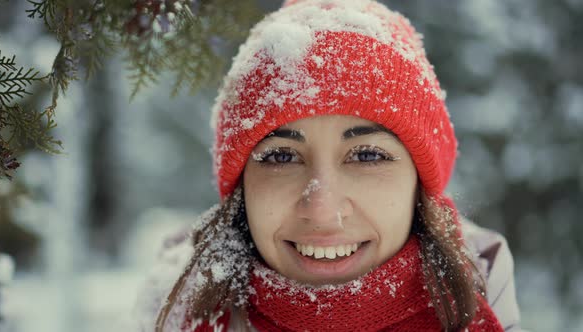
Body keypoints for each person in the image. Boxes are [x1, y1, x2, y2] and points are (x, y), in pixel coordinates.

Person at [135, 0, 523, 331]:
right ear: (241, 187)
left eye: (368, 155)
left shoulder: (487, 292)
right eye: (281, 156)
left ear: (420, 182)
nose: (322, 211)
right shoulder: (176, 307)